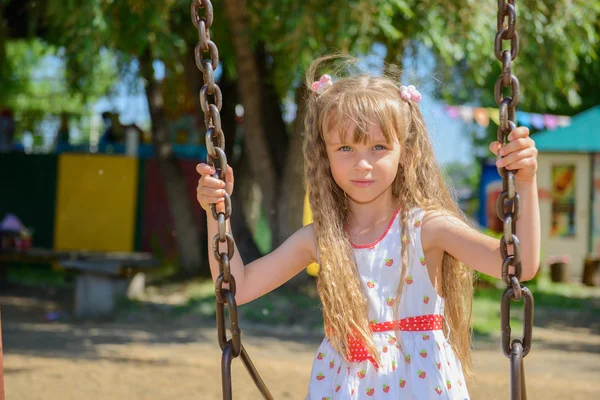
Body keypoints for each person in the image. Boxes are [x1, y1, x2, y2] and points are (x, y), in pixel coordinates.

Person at [195, 55, 540, 399]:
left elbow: (516, 266)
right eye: (345, 147)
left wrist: (525, 183)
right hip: (345, 386)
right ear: (324, 154)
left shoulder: (427, 227)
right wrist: (217, 212)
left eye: (378, 147)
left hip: (421, 384)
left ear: (405, 152)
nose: (362, 164)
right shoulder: (321, 238)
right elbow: (237, 287)